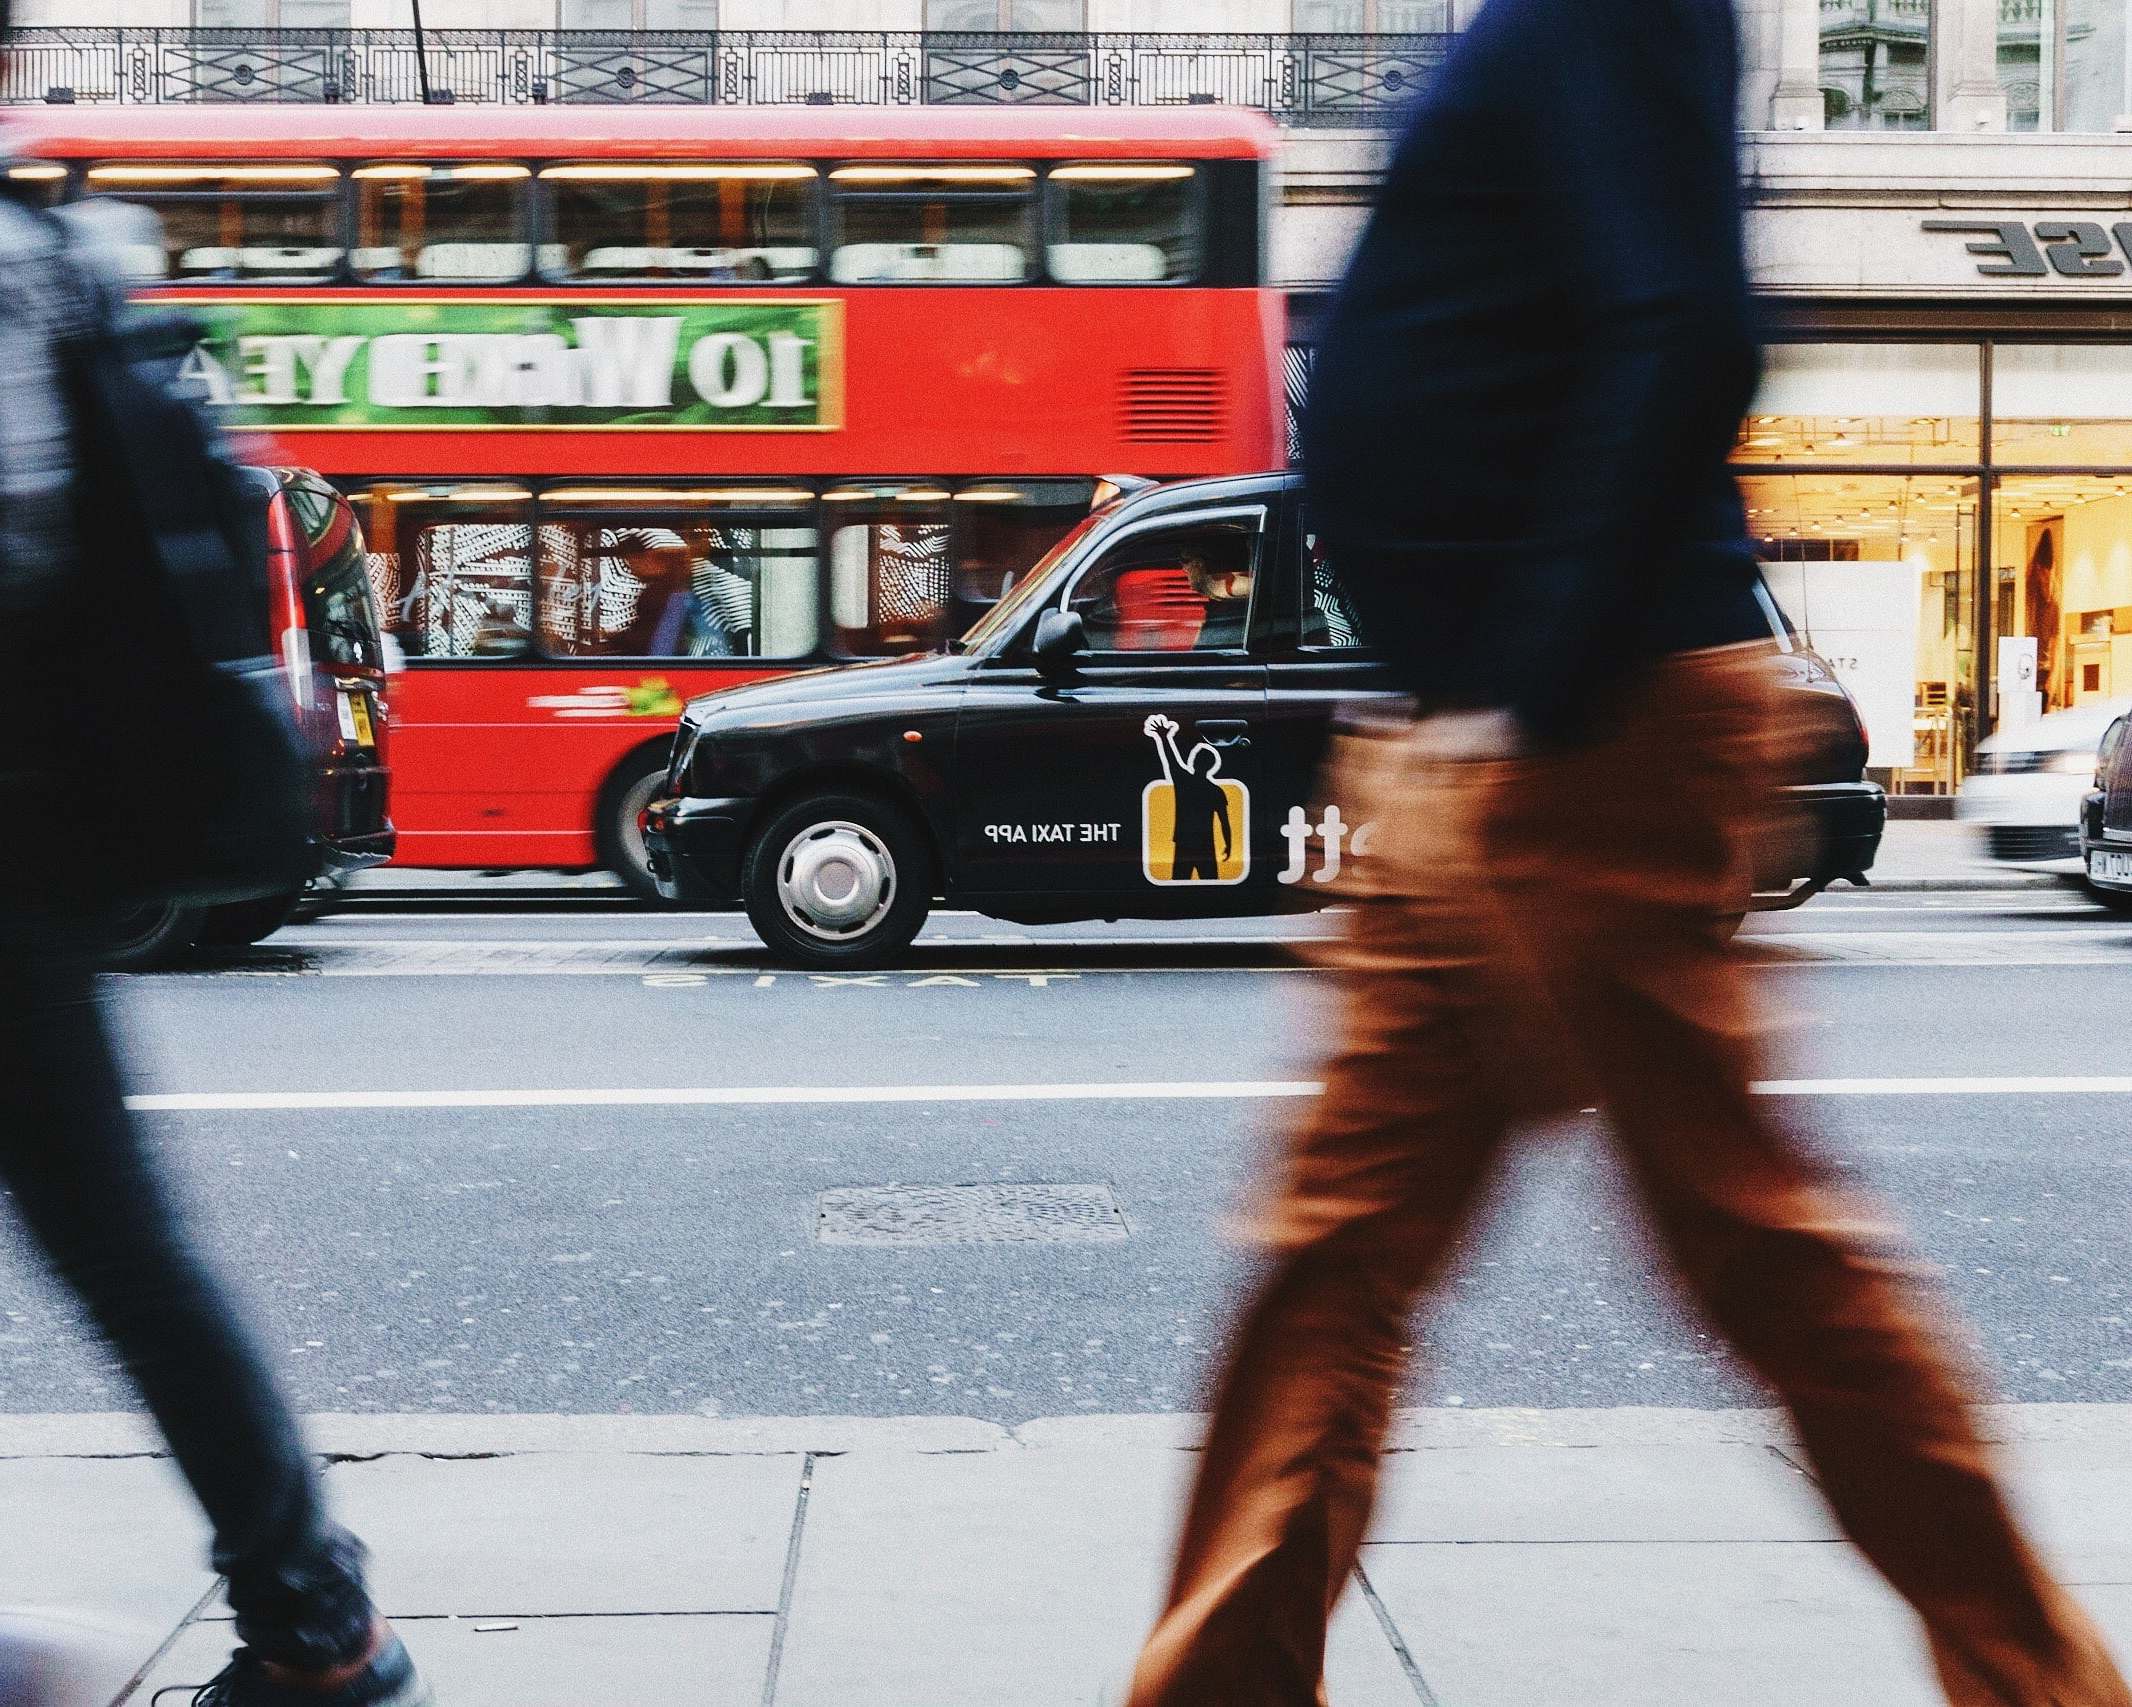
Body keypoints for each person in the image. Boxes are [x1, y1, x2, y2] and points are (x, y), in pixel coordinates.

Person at [1124, 1, 2132, 1704]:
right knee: (1338, 1256)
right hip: (1489, 731)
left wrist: (1507, 701)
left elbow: (1677, 327)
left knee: (1742, 1245)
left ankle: (2041, 1676)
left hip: (1568, 740)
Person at [0, 142, 429, 1707]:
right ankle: (320, 1625)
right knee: (124, 1245)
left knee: (121, 1243)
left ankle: (322, 1626)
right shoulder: (66, 256)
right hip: (37, 847)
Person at [1144, 713, 1232, 882]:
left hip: (1184, 842)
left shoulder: (1184, 780)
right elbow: (1224, 821)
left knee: (1178, 880)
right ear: (1210, 767)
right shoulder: (1215, 791)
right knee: (1211, 883)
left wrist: (1164, 737)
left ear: (1194, 762)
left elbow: (1171, 760)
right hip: (1205, 844)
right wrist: (1229, 844)